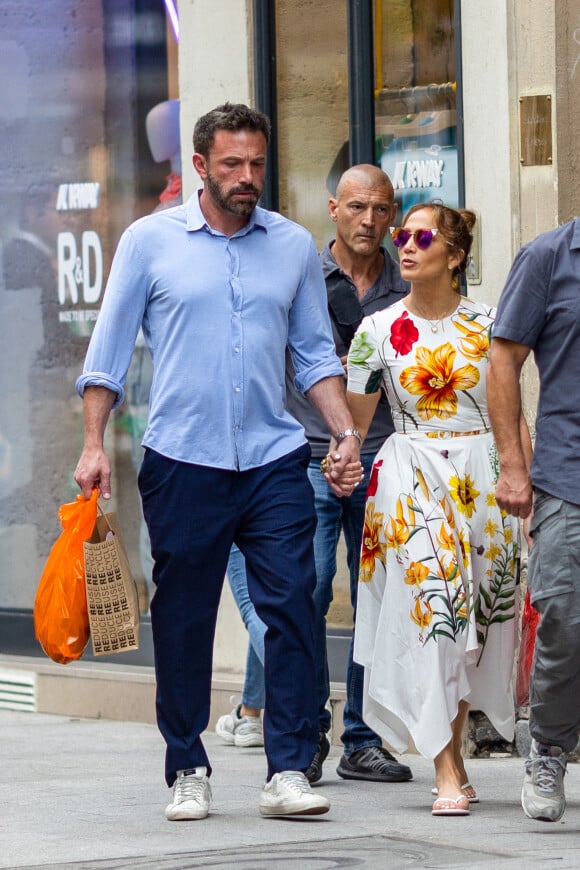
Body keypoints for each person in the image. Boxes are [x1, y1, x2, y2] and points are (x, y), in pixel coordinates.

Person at [73, 102, 364, 822]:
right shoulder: (149, 242)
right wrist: (91, 445)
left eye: (257, 164)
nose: (246, 177)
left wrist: (342, 431)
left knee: (296, 606)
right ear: (199, 165)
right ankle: (187, 766)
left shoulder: (292, 245)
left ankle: (290, 766)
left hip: (273, 457)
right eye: (231, 164)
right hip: (183, 459)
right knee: (183, 618)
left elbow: (312, 354)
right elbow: (106, 356)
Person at [217, 164, 414, 785]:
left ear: (394, 212)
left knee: (376, 599)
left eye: (382, 210)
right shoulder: (301, 267)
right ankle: (304, 734)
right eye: (357, 207)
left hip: (383, 458)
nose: (370, 221)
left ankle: (362, 737)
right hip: (303, 455)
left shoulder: (406, 279)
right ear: (333, 208)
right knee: (302, 592)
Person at [344, 202, 523, 816]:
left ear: (456, 254)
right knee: (435, 609)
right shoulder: (375, 332)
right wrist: (341, 457)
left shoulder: (493, 324)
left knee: (478, 620)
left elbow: (512, 414)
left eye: (422, 236)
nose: (407, 245)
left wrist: (526, 481)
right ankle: (445, 768)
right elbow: (356, 422)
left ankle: (458, 756)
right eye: (403, 235)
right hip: (410, 473)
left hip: (483, 479)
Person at [486, 218, 580, 824]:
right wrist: (514, 467)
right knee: (566, 616)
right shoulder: (549, 256)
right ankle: (547, 746)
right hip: (567, 470)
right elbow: (502, 361)